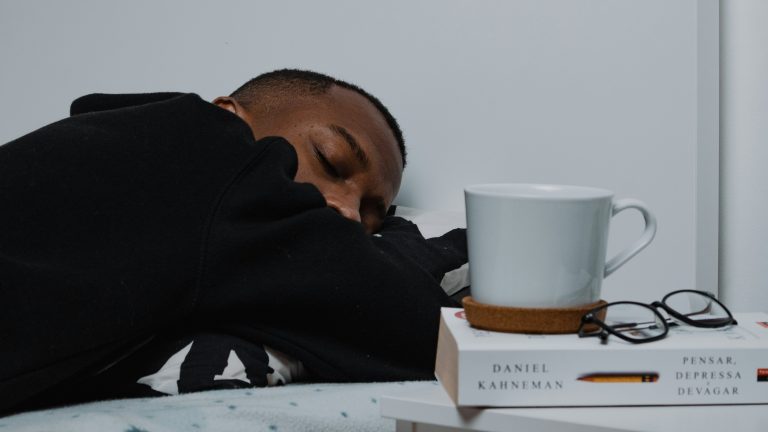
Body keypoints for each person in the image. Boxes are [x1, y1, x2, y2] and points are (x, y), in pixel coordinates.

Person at [0, 69, 466, 413]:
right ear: (227, 116)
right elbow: (425, 332)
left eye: (370, 217)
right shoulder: (206, 151)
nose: (346, 210)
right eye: (330, 159)